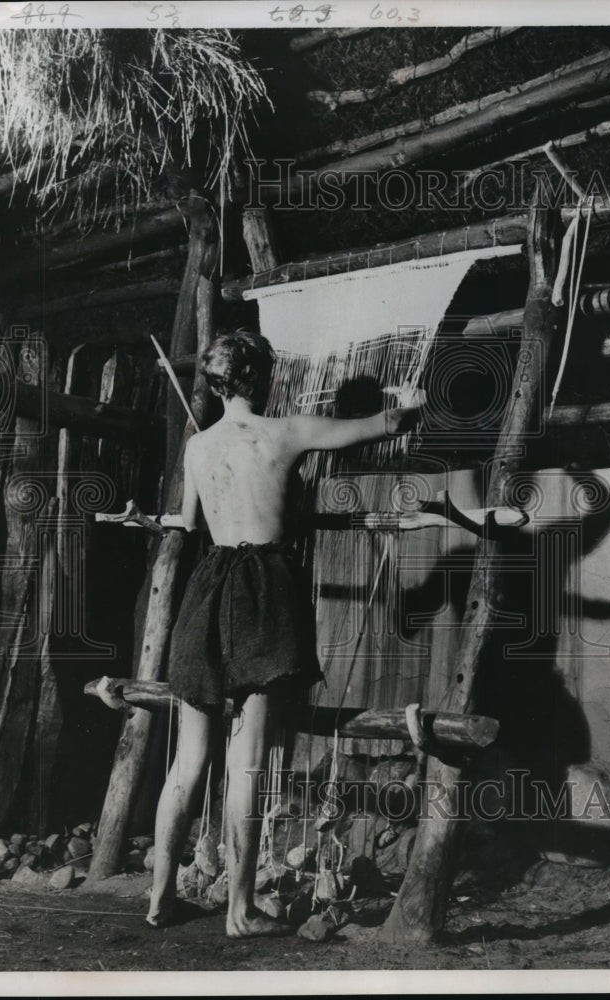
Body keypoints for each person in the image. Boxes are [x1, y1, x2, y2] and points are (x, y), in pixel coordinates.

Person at [146, 329, 421, 937]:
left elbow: (188, 522)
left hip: (208, 588)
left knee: (189, 761)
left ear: (217, 384)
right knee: (246, 763)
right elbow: (388, 423)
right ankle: (240, 911)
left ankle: (160, 896)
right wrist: (412, 398)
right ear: (260, 379)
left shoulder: (197, 447)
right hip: (263, 593)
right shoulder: (285, 432)